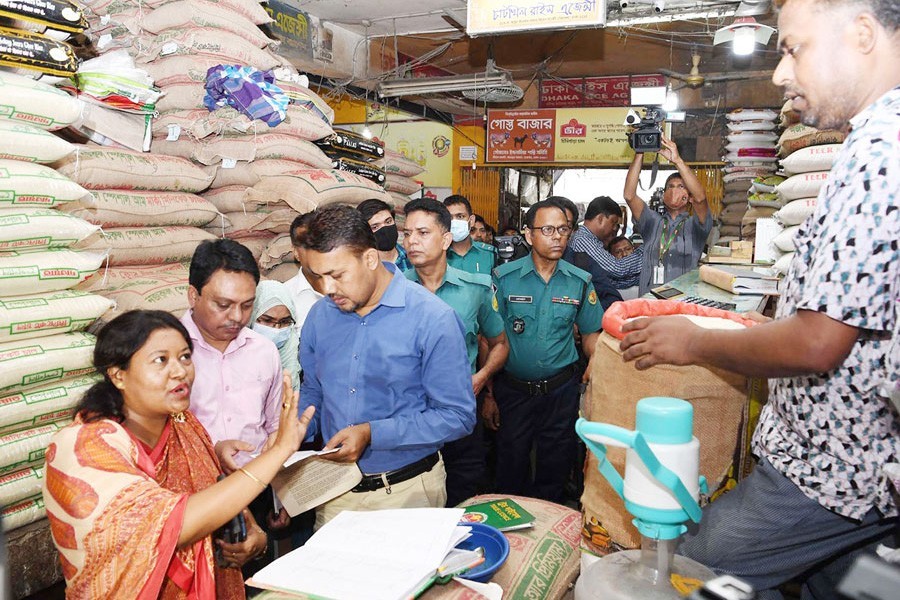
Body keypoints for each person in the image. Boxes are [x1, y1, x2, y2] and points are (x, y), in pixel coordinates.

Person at [620, 0, 899, 595]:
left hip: (832, 472)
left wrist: (694, 341)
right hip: (862, 473)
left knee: (685, 572)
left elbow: (820, 343)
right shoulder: (871, 145)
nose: (780, 74)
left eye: (793, 48)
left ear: (863, 34)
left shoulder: (882, 156)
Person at [43, 310, 314, 598]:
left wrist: (254, 537)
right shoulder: (83, 448)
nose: (180, 371)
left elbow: (219, 496)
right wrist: (279, 451)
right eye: (161, 360)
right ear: (118, 374)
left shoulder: (184, 425)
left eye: (185, 357)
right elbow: (172, 525)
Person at [297, 205, 476, 527]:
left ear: (370, 258)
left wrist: (371, 433)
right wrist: (294, 429)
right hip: (334, 494)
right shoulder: (320, 316)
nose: (327, 289)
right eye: (318, 276)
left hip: (409, 494)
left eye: (337, 275)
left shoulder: (432, 319)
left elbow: (457, 416)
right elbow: (314, 389)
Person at [490, 200, 605, 502]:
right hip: (513, 391)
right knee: (510, 466)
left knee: (554, 468)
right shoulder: (504, 278)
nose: (557, 237)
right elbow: (490, 340)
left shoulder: (580, 282)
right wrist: (488, 394)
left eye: (563, 230)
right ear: (529, 235)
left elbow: (592, 333)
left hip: (560, 392)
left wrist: (596, 366)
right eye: (548, 229)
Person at [402, 198, 509, 506]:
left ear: (446, 239)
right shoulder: (392, 290)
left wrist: (483, 376)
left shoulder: (474, 289)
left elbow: (500, 343)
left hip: (460, 414)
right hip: (410, 417)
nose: (412, 241)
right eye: (407, 233)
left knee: (464, 497)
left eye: (422, 232)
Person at [181, 239, 282, 474]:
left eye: (247, 305)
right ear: (193, 296)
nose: (236, 316)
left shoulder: (264, 351)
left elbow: (274, 424)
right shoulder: (167, 353)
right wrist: (211, 450)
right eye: (223, 305)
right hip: (193, 490)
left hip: (257, 483)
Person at [624, 136, 711, 295]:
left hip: (681, 303)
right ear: (664, 195)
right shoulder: (651, 222)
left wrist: (677, 161)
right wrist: (639, 152)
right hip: (650, 301)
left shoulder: (697, 226)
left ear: (689, 196)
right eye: (670, 187)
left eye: (680, 186)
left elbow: (701, 198)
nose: (674, 190)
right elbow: (629, 195)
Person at [567, 195, 644, 297]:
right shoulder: (583, 239)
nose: (613, 228)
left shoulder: (591, 239)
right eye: (613, 222)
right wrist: (646, 252)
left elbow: (612, 281)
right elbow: (618, 268)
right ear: (600, 219)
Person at [251, 281, 300, 398]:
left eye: (284, 322)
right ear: (252, 317)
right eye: (267, 320)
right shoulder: (233, 350)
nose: (276, 329)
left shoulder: (291, 347)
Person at [285, 212, 324, 330]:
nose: (317, 251)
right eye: (308, 245)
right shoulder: (286, 297)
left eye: (322, 243)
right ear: (296, 252)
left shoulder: (352, 287)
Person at [444, 195, 496, 275]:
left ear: (471, 221)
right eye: (450, 218)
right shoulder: (437, 255)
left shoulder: (490, 254)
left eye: (460, 216)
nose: (454, 222)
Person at [356, 198, 412, 272]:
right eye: (375, 227)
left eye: (388, 222)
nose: (385, 229)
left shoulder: (413, 259)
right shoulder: (362, 268)